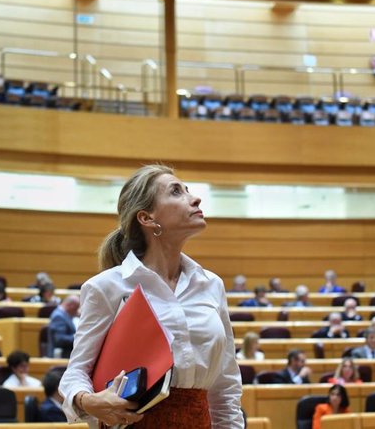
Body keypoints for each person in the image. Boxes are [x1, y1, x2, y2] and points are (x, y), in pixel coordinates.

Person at [58, 165, 244, 428]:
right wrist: (85, 400)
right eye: (176, 191)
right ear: (147, 218)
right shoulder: (106, 287)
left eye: (187, 190)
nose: (195, 198)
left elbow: (225, 386)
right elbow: (76, 372)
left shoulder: (211, 284)